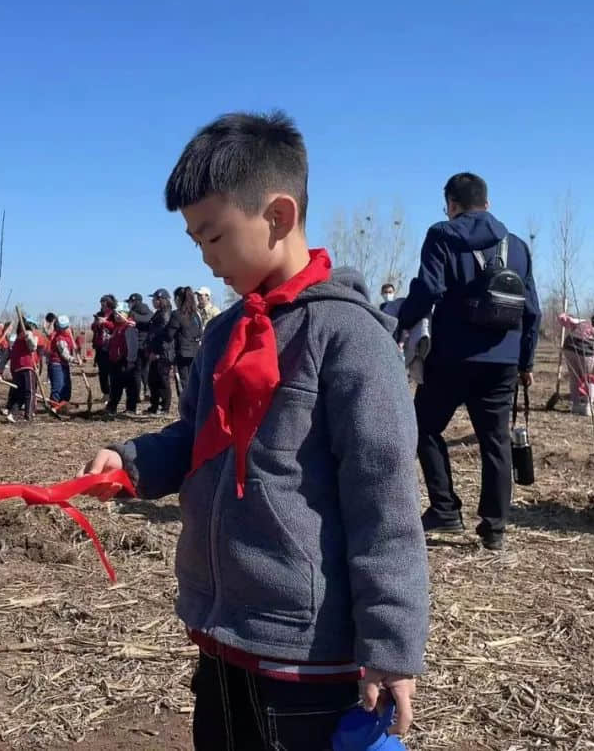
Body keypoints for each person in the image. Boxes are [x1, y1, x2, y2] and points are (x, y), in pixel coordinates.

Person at [81, 111, 428, 749]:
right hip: (223, 634)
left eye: (213, 236)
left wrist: (391, 642)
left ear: (278, 216)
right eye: (195, 241)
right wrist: (132, 461)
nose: (207, 259)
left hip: (307, 652)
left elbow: (385, 502)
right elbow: (195, 438)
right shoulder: (223, 334)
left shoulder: (349, 339)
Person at [396, 172, 541, 551]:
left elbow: (428, 288)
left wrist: (402, 323)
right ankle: (494, 528)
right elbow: (533, 311)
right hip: (503, 359)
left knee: (423, 427)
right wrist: (525, 361)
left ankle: (445, 509)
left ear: (451, 204)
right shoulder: (518, 246)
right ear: (488, 204)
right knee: (496, 443)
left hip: (453, 356)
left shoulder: (443, 235)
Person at [560, 312, 594, 416]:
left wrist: (565, 315)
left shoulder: (582, 322)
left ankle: (575, 405)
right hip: (586, 351)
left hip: (569, 347)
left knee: (574, 378)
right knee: (590, 378)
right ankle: (588, 407)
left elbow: (564, 319)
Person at [104, 302, 140, 416]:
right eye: (116, 313)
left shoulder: (128, 327)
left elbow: (132, 346)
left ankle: (130, 408)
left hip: (125, 362)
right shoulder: (117, 328)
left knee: (129, 387)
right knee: (115, 386)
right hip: (115, 362)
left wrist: (129, 361)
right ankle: (112, 407)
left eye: (120, 313)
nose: (117, 315)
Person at [145, 288, 175, 415]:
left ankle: (165, 407)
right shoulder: (158, 313)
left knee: (163, 381)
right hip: (155, 352)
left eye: (154, 299)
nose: (152, 301)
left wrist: (157, 352)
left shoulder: (165, 315)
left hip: (162, 354)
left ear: (161, 300)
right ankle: (154, 405)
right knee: (153, 380)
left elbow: (163, 336)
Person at [168, 286, 204, 394]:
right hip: (196, 351)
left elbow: (169, 334)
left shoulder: (177, 314)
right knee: (195, 381)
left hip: (182, 353)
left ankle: (186, 407)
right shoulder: (196, 314)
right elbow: (200, 332)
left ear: (178, 299)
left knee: (184, 382)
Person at [6, 320, 39, 422]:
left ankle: (13, 413)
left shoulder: (17, 339)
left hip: (18, 369)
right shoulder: (27, 334)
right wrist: (33, 338)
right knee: (30, 392)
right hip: (26, 367)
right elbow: (33, 347)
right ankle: (28, 415)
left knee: (21, 393)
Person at [126, 292, 153, 397]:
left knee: (139, 371)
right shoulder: (140, 310)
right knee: (143, 370)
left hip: (141, 345)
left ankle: (139, 393)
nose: (129, 304)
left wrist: (135, 320)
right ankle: (145, 390)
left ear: (134, 301)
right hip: (142, 344)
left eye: (130, 302)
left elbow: (149, 318)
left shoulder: (140, 309)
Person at [92, 295, 117, 399]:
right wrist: (97, 323)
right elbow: (93, 327)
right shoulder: (99, 314)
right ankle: (105, 392)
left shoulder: (115, 314)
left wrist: (105, 322)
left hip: (111, 347)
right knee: (102, 372)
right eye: (101, 303)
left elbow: (115, 327)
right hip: (100, 346)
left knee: (112, 372)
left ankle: (113, 393)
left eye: (104, 303)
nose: (102, 305)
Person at [49, 315, 77, 405]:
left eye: (67, 327)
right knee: (58, 385)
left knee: (67, 386)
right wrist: (73, 360)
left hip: (64, 365)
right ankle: (54, 404)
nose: (66, 329)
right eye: (64, 328)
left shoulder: (68, 336)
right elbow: (64, 354)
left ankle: (64, 404)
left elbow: (74, 347)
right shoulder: (59, 339)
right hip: (56, 364)